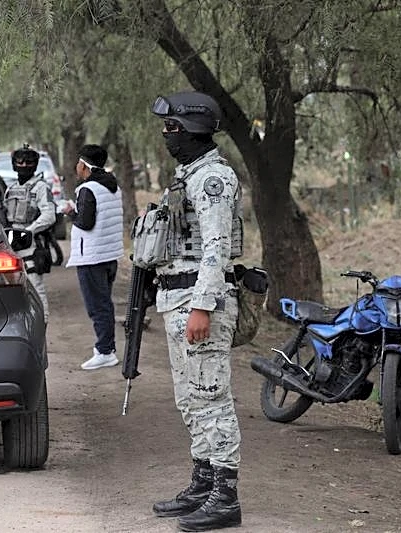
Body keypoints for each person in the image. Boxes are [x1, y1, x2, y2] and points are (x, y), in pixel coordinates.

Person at [148, 91, 244, 531]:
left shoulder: (213, 179)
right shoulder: (186, 174)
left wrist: (203, 306)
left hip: (200, 302)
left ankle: (226, 496)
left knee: (211, 398)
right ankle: (203, 482)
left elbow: (216, 249)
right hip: (178, 298)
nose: (167, 135)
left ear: (193, 129)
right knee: (190, 400)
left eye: (172, 127)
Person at [63, 145, 123, 370]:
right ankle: (106, 348)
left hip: (92, 256)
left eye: (78, 163)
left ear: (84, 166)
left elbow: (85, 223)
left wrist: (70, 213)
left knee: (98, 306)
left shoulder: (88, 189)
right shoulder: (113, 186)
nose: (76, 167)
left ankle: (105, 351)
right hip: (109, 255)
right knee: (104, 303)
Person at [3, 145, 56, 321]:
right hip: (11, 240)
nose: (24, 165)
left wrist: (29, 231)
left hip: (30, 243)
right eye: (20, 162)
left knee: (35, 286)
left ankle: (43, 323)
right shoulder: (10, 189)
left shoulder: (40, 187)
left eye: (29, 162)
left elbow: (49, 215)